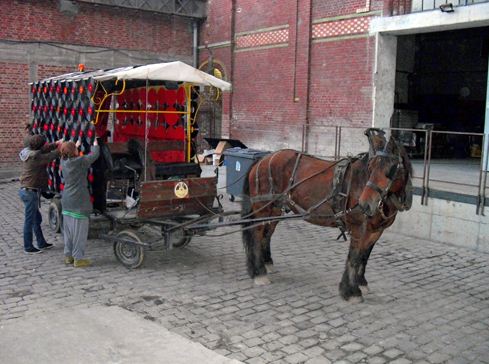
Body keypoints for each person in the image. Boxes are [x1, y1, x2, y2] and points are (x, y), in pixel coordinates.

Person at [60, 138, 100, 267]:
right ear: (74, 152)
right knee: (79, 232)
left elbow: (66, 153)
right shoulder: (80, 161)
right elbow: (94, 156)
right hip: (79, 201)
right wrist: (95, 145)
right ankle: (78, 259)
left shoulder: (63, 161)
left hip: (66, 200)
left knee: (69, 231)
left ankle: (68, 256)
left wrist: (74, 145)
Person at [19, 134, 61, 254]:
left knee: (36, 219)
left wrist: (57, 143)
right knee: (30, 221)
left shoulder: (28, 152)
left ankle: (41, 242)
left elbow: (44, 149)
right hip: (29, 192)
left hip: (27, 191)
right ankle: (28, 247)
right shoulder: (35, 158)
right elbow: (51, 155)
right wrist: (61, 148)